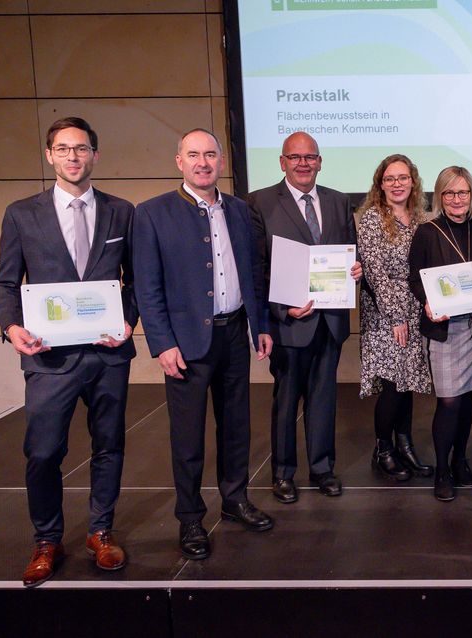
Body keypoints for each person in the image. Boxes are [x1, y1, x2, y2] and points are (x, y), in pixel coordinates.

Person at [0, 117, 137, 587]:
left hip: (106, 354)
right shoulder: (21, 213)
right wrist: (12, 327)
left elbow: (134, 282)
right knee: (42, 452)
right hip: (48, 356)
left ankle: (100, 530)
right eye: (63, 148)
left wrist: (128, 322)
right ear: (49, 156)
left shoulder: (122, 211)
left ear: (95, 155)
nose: (73, 156)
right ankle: (46, 539)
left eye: (81, 148)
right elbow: (5, 283)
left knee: (109, 446)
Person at [133, 128, 274, 560]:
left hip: (233, 334)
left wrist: (260, 324)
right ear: (179, 161)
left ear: (221, 162)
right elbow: (146, 285)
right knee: (188, 436)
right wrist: (161, 343)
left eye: (210, 154)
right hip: (185, 342)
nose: (202, 162)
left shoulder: (238, 210)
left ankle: (234, 500)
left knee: (236, 427)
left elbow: (252, 271)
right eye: (193, 155)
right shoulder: (152, 214)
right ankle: (190, 516)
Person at [248, 132, 362, 502]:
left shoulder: (338, 201)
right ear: (282, 162)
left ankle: (322, 468)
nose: (303, 163)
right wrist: (280, 310)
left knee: (323, 399)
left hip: (329, 320)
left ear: (320, 161)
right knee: (286, 401)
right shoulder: (260, 202)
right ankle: (282, 473)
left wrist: (354, 268)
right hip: (289, 322)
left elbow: (349, 251)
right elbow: (257, 267)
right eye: (295, 157)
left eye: (310, 157)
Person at [409, 166, 472, 501]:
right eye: (448, 193)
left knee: (467, 395)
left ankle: (460, 460)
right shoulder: (427, 232)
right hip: (446, 328)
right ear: (439, 196)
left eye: (462, 192)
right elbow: (416, 279)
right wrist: (427, 302)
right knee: (448, 400)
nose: (456, 200)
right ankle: (442, 469)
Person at [358, 154, 434, 482]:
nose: (397, 184)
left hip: (415, 307)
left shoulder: (420, 218)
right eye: (390, 179)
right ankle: (383, 449)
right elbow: (374, 272)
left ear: (413, 182)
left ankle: (405, 445)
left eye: (403, 178)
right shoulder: (373, 218)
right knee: (392, 384)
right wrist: (395, 316)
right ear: (381, 184)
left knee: (407, 382)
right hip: (386, 312)